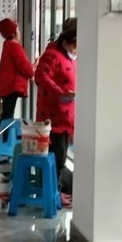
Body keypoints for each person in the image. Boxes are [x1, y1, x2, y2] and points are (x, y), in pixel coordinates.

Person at [34, 22, 77, 207]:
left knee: (60, 158)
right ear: (66, 42)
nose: (77, 50)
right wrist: (61, 93)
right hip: (53, 119)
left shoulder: (70, 58)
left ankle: (56, 192)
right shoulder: (52, 56)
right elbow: (40, 76)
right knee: (56, 158)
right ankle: (53, 195)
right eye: (75, 46)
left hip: (66, 118)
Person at [0, 18, 35, 121]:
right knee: (8, 116)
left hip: (6, 84)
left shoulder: (7, 44)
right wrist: (32, 73)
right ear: (13, 33)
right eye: (18, 30)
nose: (19, 32)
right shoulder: (14, 46)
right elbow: (24, 65)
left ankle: (3, 131)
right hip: (12, 86)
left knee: (6, 114)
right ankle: (5, 132)